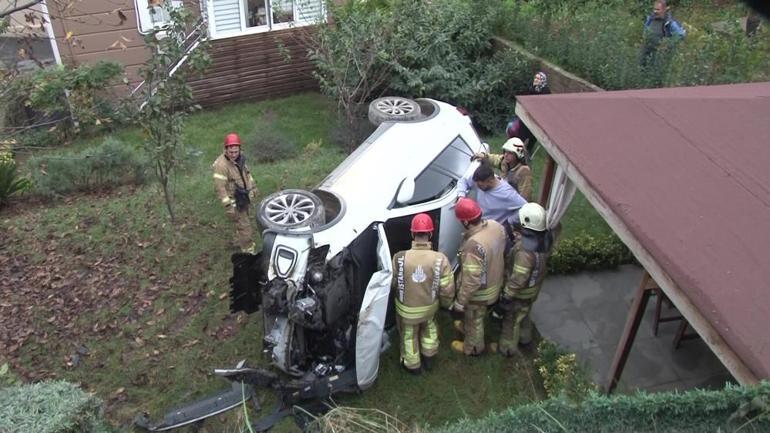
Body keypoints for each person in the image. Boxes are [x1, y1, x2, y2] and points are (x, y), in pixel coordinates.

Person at [391, 213, 455, 374]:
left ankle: (413, 366)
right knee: (430, 330)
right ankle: (429, 358)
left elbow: (392, 283)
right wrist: (447, 305)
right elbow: (447, 288)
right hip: (429, 309)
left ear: (412, 234)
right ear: (430, 234)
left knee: (408, 336)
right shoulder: (439, 259)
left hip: (406, 311)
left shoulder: (399, 257)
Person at [450, 198, 506, 356]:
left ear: (466, 222)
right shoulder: (496, 226)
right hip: (496, 283)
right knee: (475, 318)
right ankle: (467, 328)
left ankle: (473, 348)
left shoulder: (474, 245)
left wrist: (460, 303)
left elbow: (471, 281)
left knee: (474, 318)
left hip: (480, 294)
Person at [496, 203, 551, 357]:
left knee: (511, 320)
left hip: (520, 293)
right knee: (525, 314)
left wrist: (506, 297)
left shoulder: (524, 252)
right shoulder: (545, 239)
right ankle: (525, 338)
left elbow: (518, 278)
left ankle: (507, 349)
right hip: (533, 290)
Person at [212, 132, 259, 253]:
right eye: (230, 152)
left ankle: (240, 239)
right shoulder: (221, 166)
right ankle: (248, 251)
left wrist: (253, 187)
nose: (233, 155)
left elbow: (247, 174)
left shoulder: (240, 157)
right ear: (225, 149)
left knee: (244, 222)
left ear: (239, 149)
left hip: (244, 197)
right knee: (245, 227)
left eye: (236, 151)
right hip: (235, 202)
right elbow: (220, 189)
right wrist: (229, 207)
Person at [458, 163, 527, 230]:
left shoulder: (507, 194)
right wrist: (461, 197)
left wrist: (509, 221)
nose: (477, 187)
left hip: (492, 229)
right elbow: (463, 181)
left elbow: (526, 208)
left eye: (480, 185)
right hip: (479, 223)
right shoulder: (479, 179)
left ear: (490, 181)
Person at [472, 137, 533, 201]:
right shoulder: (505, 162)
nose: (506, 155)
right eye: (505, 151)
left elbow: (525, 196)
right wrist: (484, 156)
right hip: (502, 196)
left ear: (518, 154)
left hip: (513, 202)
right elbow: (494, 159)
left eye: (510, 153)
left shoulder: (524, 171)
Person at [641, 0, 686, 66]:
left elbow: (681, 35)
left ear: (664, 10)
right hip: (647, 51)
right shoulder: (650, 18)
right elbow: (646, 29)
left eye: (658, 9)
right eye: (654, 9)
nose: (655, 11)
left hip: (660, 55)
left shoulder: (669, 22)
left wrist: (668, 44)